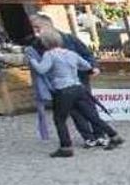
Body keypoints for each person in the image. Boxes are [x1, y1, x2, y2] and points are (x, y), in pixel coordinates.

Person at [25, 29, 123, 158]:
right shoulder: (71, 53)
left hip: (63, 89)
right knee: (90, 115)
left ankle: (66, 147)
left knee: (60, 119)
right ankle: (113, 135)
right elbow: (86, 66)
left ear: (44, 43)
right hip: (78, 87)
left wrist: (31, 60)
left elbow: (42, 70)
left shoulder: (50, 55)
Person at [30, 14, 107, 147]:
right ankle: (88, 137)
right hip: (59, 84)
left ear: (47, 26)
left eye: (37, 27)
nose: (35, 31)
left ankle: (100, 134)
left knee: (89, 108)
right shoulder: (37, 43)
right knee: (74, 111)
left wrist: (93, 66)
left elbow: (86, 53)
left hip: (79, 78)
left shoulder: (69, 38)